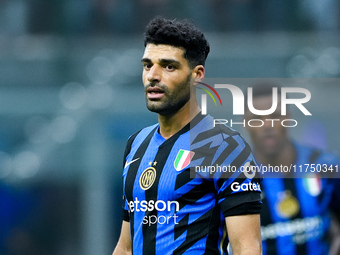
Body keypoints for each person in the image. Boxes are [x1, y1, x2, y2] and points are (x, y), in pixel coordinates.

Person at [112, 16, 262, 255]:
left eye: (168, 66)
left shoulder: (226, 147)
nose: (153, 75)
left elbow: (247, 248)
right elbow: (126, 246)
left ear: (197, 74)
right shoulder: (136, 145)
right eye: (147, 65)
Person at [244, 83, 340, 255]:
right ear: (245, 123)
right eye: (257, 118)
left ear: (288, 117)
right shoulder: (235, 179)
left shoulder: (325, 165)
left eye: (275, 115)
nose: (267, 125)